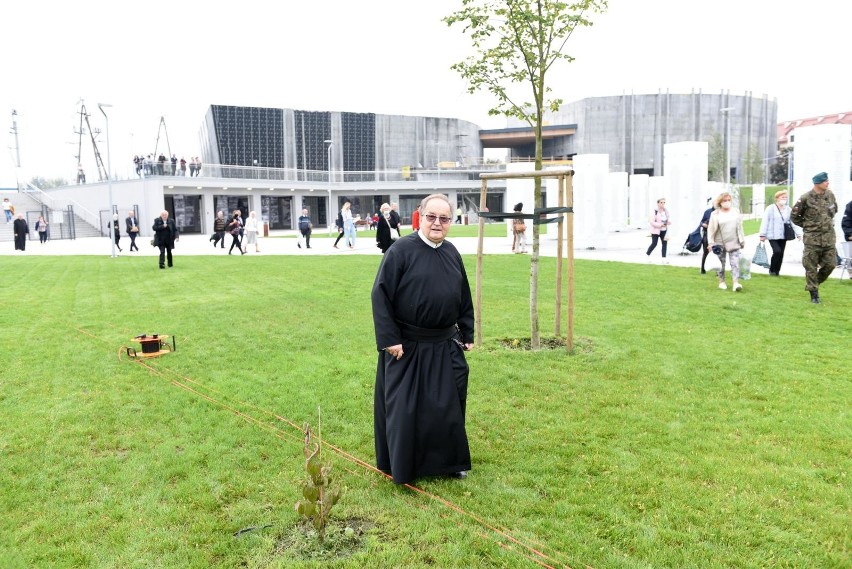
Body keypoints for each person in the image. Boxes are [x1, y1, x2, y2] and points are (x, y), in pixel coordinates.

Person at [371, 193, 474, 485]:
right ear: (420, 216)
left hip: (445, 343)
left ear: (450, 222)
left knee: (449, 405)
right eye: (432, 217)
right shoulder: (400, 251)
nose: (437, 223)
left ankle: (449, 462)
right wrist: (390, 339)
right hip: (407, 345)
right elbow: (380, 296)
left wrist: (467, 331)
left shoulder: (452, 252)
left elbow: (463, 295)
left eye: (444, 218)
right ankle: (405, 466)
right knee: (406, 410)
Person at [790, 171, 839, 304]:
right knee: (810, 266)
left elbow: (835, 210)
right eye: (825, 181)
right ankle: (814, 295)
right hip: (812, 239)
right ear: (817, 183)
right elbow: (794, 216)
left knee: (831, 264)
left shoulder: (830, 195)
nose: (828, 183)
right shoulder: (805, 198)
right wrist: (807, 226)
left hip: (829, 237)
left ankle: (814, 283)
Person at [706, 191, 746, 292]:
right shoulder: (715, 214)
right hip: (719, 242)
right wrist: (711, 243)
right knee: (721, 264)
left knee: (735, 263)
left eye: (729, 200)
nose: (727, 202)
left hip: (734, 241)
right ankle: (721, 282)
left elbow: (740, 228)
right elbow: (710, 229)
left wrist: (742, 240)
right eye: (725, 200)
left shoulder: (735, 211)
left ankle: (735, 283)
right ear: (720, 202)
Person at [759, 190, 801, 276]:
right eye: (782, 197)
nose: (784, 199)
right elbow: (765, 221)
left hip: (783, 235)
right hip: (772, 235)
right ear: (777, 198)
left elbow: (793, 222)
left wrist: (798, 233)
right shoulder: (770, 208)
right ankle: (772, 270)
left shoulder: (788, 209)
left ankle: (777, 271)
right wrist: (762, 234)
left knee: (781, 253)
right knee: (777, 251)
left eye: (785, 198)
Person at [646, 197, 670, 262]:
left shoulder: (666, 211)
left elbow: (666, 219)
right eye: (661, 202)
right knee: (654, 243)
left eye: (664, 202)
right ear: (658, 203)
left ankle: (664, 259)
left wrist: (668, 222)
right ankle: (647, 255)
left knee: (664, 244)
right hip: (655, 231)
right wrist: (660, 225)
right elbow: (651, 222)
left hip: (664, 230)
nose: (663, 204)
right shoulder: (654, 211)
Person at [699, 198, 714, 274]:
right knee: (705, 252)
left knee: (718, 253)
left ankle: (718, 271)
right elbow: (701, 222)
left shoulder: (721, 212)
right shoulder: (707, 212)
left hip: (716, 235)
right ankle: (702, 268)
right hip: (707, 234)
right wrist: (703, 224)